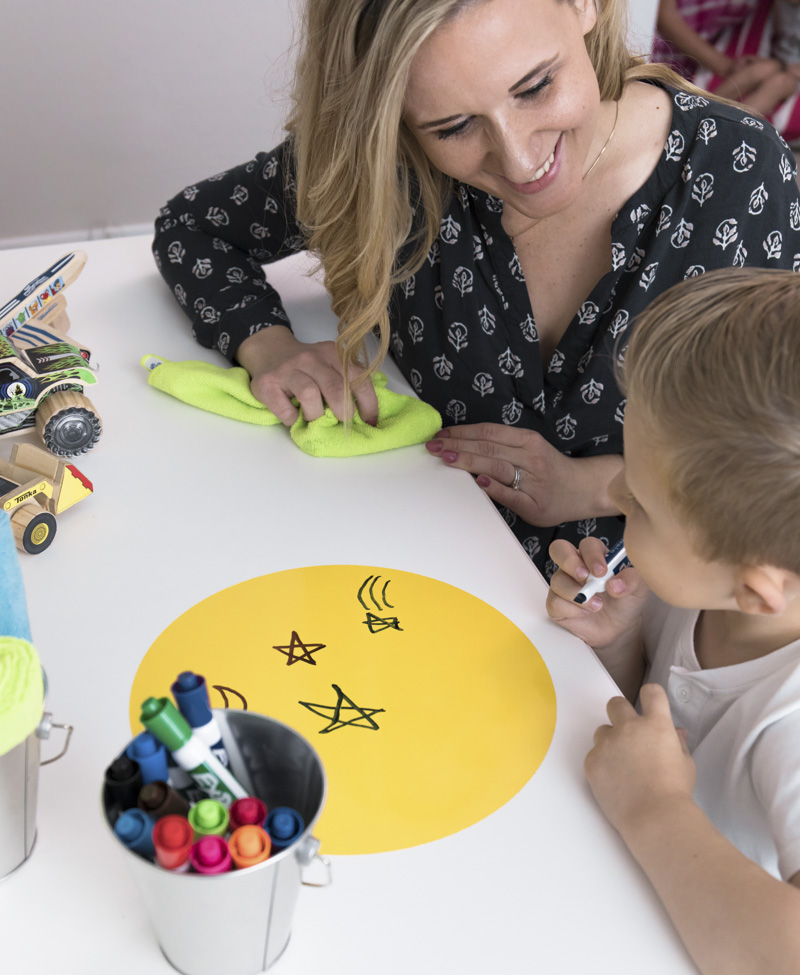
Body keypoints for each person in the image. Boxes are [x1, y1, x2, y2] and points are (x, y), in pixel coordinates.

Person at [152, 0, 800, 580]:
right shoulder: (386, 166)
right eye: (454, 127)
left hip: (648, 644)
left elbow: (778, 450)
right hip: (397, 582)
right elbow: (192, 227)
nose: (521, 162)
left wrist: (601, 487)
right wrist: (270, 347)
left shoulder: (741, 177)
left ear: (584, 6)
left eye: (536, 86)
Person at [546, 268, 800, 973]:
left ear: (755, 591)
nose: (615, 488)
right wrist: (624, 642)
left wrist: (654, 806)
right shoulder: (709, 581)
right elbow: (673, 707)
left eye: (642, 507)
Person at [652, 0, 800, 140]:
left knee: (781, 82)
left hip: (793, 77)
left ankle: (730, 129)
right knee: (763, 69)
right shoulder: (783, 8)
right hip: (779, 63)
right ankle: (698, 113)